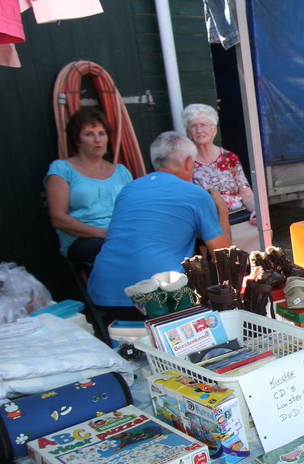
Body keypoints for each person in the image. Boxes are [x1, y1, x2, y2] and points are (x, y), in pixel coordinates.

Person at [87, 132, 232, 314]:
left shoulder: (128, 189)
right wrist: (222, 212)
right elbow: (224, 256)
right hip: (158, 299)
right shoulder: (196, 194)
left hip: (104, 294)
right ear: (188, 162)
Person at [44, 108, 134, 265]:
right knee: (120, 250)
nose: (97, 140)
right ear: (77, 140)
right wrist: (101, 232)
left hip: (120, 235)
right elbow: (58, 218)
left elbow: (134, 209)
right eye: (89, 134)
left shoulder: (121, 171)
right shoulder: (62, 169)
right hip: (83, 238)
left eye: (101, 133)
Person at [181, 103, 260, 250]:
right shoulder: (186, 163)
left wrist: (257, 210)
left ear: (214, 129)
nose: (199, 130)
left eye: (204, 125)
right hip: (210, 225)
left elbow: (246, 192)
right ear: (188, 132)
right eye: (194, 126)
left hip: (239, 218)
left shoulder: (229, 158)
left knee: (260, 232)